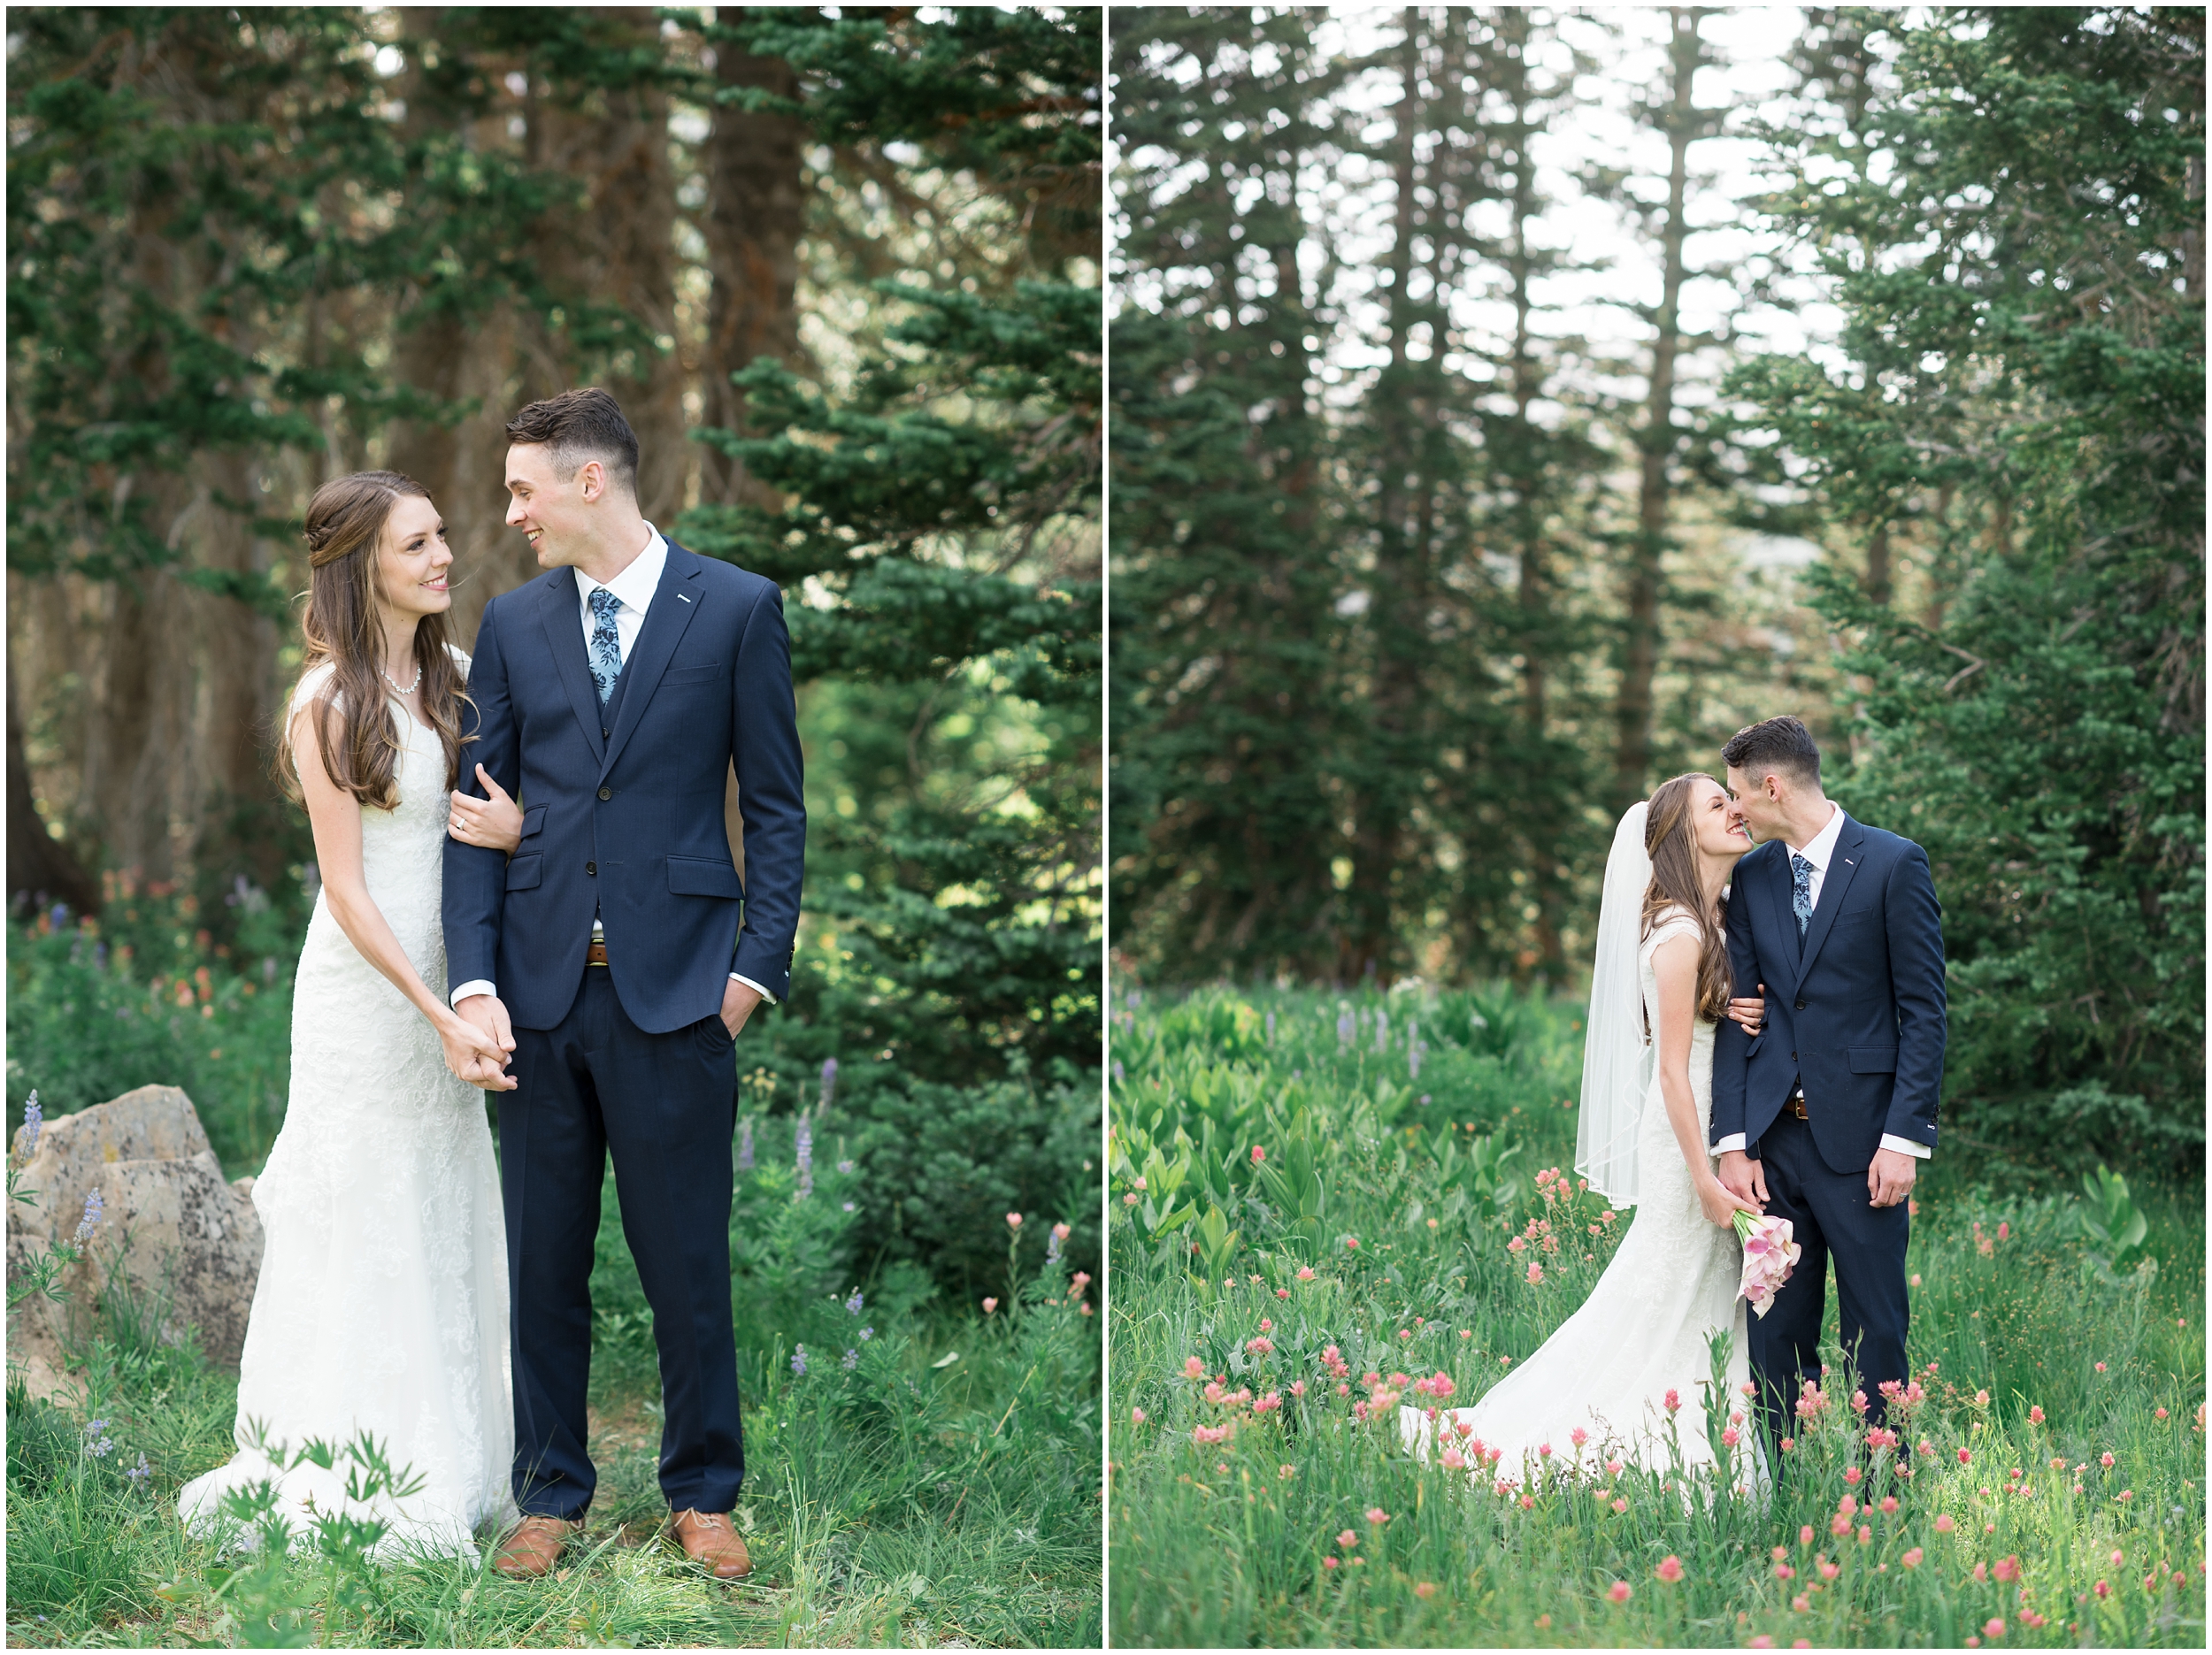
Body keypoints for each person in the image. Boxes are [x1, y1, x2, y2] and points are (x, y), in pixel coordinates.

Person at [443, 387, 807, 1582]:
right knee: (542, 1261)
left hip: (682, 992)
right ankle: (550, 1490)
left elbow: (775, 807)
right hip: (540, 995)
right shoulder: (512, 621)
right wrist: (479, 977)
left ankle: (703, 1493)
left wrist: (752, 970)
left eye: (523, 488)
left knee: (687, 1263)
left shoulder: (738, 608)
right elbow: (474, 817)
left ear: (587, 479)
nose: (512, 511)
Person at [178, 471, 526, 1554]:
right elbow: (346, 888)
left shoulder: (457, 678)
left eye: (439, 538)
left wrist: (512, 845)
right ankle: (347, 1458)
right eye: (415, 545)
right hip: (368, 996)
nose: (442, 558)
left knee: (444, 1199)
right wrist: (433, 1009)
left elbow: (490, 816)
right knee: (364, 1211)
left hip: (453, 980)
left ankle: (461, 1457)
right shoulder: (324, 703)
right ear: (361, 565)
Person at [1402, 773, 1769, 1484]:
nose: (1735, 809)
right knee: (1662, 1288)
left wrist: (1732, 1015)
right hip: (1684, 1136)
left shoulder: (1717, 916)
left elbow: (1706, 1022)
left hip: (1714, 1127)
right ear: (1679, 836)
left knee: (1692, 1292)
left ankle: (1702, 1420)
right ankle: (1602, 1433)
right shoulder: (1678, 931)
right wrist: (1703, 1177)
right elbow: (1668, 1070)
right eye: (1715, 805)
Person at [1711, 716, 1945, 1460]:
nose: (1735, 808)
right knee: (1776, 1328)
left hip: (1866, 1143)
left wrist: (1903, 1138)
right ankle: (1789, 1485)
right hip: (1773, 1145)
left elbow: (1923, 1011)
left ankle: (1886, 1488)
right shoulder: (1752, 876)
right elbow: (1739, 1017)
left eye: (1738, 793)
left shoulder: (1893, 863)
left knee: (1876, 1327)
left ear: (1771, 785)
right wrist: (1733, 1141)